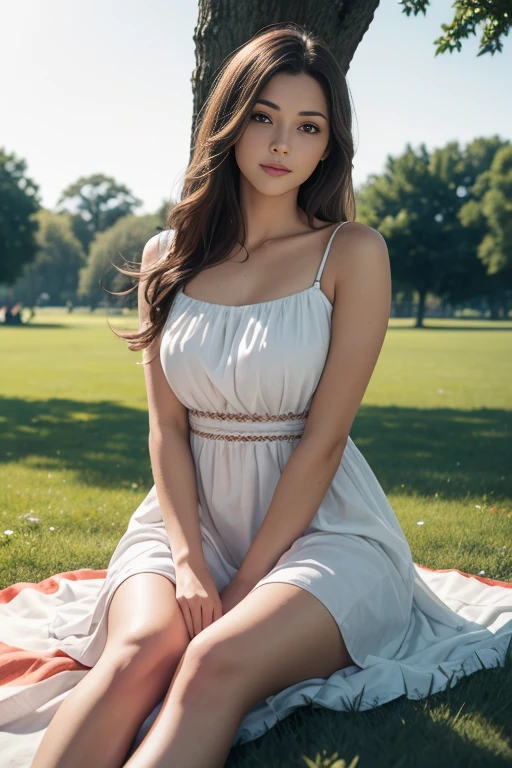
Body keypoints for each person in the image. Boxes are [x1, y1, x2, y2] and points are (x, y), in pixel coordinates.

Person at [1, 21, 511, 768]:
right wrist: (188, 562)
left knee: (212, 663)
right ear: (230, 121)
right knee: (139, 652)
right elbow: (166, 431)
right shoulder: (165, 256)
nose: (282, 144)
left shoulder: (353, 253)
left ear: (328, 145)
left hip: (325, 530)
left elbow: (324, 440)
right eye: (264, 117)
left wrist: (244, 583)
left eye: (308, 127)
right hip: (188, 521)